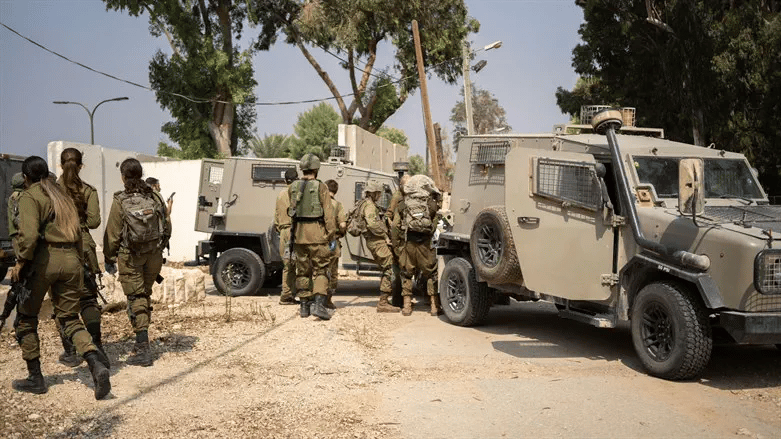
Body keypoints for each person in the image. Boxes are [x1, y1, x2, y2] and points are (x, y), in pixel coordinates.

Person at [9, 156, 111, 399]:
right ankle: (96, 364)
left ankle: (35, 378)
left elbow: (29, 237)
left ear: (26, 177)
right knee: (70, 318)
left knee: (25, 319)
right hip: (72, 260)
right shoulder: (63, 196)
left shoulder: (30, 196)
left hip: (44, 262)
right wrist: (78, 261)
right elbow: (79, 233)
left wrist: (21, 262)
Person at [104, 158, 171, 367]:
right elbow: (167, 225)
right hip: (154, 255)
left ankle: (143, 348)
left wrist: (109, 257)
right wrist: (160, 247)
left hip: (131, 256)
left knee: (136, 297)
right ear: (141, 174)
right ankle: (141, 342)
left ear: (123, 177)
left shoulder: (121, 199)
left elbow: (112, 234)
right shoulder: (155, 196)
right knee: (144, 295)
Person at [55, 148, 106, 367]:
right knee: (88, 299)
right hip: (84, 247)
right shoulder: (88, 190)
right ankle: (97, 345)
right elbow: (94, 222)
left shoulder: (51, 190)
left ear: (60, 165)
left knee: (61, 303)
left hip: (58, 247)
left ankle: (71, 352)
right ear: (81, 166)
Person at [288, 153, 336, 320]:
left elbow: (291, 212)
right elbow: (329, 215)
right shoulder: (321, 187)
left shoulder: (293, 186)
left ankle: (304, 306)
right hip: (317, 234)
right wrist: (331, 235)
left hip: (299, 235)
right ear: (317, 169)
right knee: (321, 269)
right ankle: (319, 305)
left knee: (302, 271)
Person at [393, 174, 442, 316]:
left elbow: (396, 225)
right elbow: (434, 221)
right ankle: (434, 306)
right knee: (431, 273)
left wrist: (397, 246)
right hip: (425, 244)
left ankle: (407, 306)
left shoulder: (403, 204)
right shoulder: (430, 203)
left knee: (407, 274)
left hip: (409, 243)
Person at [358, 180, 399, 313]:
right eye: (379, 193)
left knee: (387, 266)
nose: (380, 196)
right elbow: (372, 224)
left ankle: (385, 300)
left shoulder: (367, 204)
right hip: (376, 241)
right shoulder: (369, 206)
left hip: (375, 241)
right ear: (373, 193)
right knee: (389, 266)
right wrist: (385, 235)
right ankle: (383, 302)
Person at [274, 168, 298, 305]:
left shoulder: (280, 195)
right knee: (300, 264)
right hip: (296, 231)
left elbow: (276, 217)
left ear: (285, 180)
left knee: (287, 265)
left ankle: (286, 294)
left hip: (283, 231)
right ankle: (297, 295)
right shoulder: (299, 194)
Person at [324, 179, 347, 309]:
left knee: (318, 270)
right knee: (332, 271)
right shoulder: (338, 205)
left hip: (319, 242)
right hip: (333, 242)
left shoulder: (320, 203)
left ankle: (316, 298)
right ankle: (328, 299)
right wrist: (342, 231)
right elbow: (343, 225)